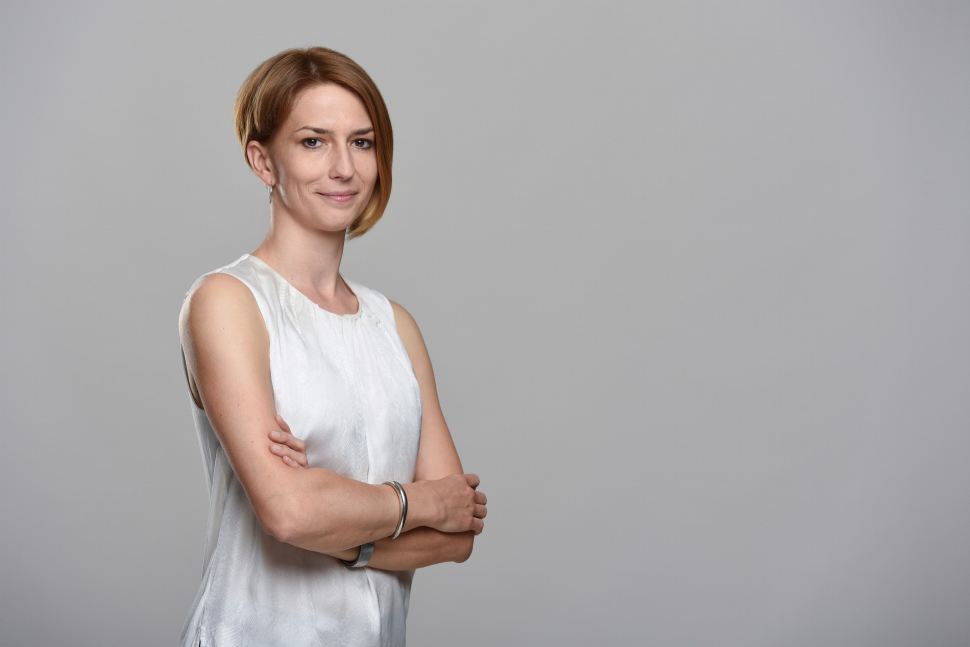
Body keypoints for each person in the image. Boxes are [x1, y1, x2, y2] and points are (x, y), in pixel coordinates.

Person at [177, 47, 487, 647]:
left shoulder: (394, 325)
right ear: (263, 161)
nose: (344, 168)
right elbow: (289, 512)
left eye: (362, 142)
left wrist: (343, 528)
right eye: (313, 142)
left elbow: (457, 532)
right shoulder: (228, 302)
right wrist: (417, 502)